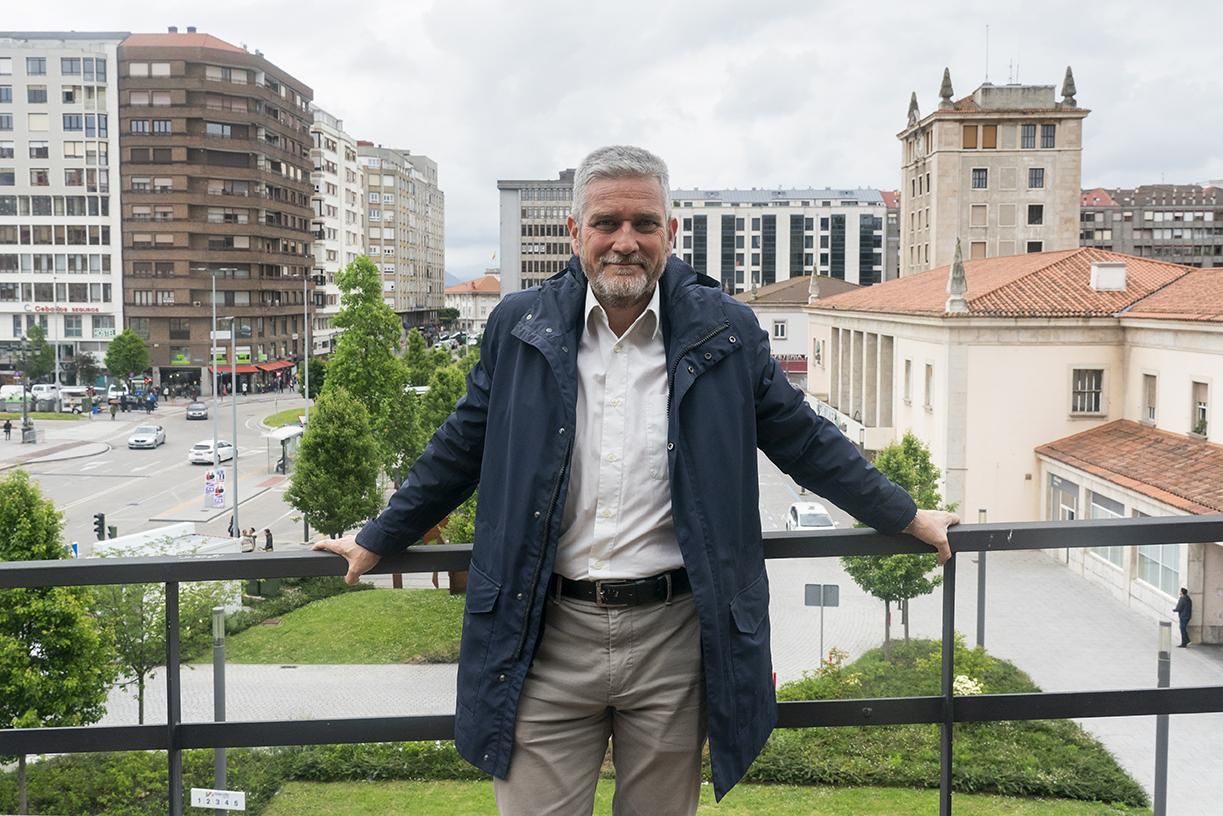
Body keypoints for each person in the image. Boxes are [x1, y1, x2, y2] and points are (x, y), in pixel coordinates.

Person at [313, 145, 958, 814]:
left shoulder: (726, 333)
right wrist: (377, 536)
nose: (626, 242)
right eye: (606, 223)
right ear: (575, 233)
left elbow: (805, 441)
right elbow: (459, 446)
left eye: (644, 224)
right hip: (542, 634)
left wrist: (905, 516)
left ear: (670, 235)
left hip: (674, 640)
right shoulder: (519, 327)